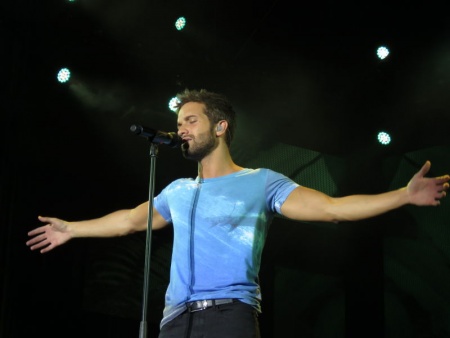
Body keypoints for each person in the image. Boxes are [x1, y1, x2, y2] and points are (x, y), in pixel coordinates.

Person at [27, 89, 449, 338]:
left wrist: (402, 195)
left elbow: (331, 209)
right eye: (179, 122)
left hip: (229, 315)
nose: (182, 129)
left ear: (221, 126)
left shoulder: (260, 181)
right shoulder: (178, 190)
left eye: (191, 120)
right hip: (174, 321)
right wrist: (72, 229)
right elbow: (130, 220)